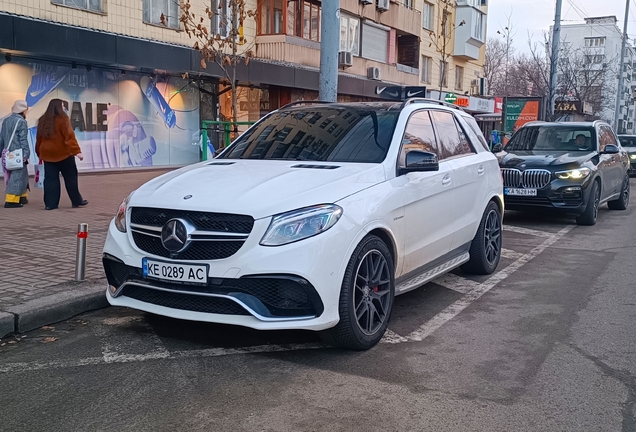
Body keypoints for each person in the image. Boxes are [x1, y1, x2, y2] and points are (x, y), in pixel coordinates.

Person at [35, 99, 87, 210]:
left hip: (48, 155)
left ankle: (50, 204)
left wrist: (39, 153)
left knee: (50, 180)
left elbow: (39, 139)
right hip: (64, 154)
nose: (64, 108)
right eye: (63, 106)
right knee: (71, 178)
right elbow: (69, 136)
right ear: (58, 107)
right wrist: (77, 151)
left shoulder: (42, 120)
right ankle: (76, 201)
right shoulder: (63, 119)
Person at [1, 100, 30, 208]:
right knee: (17, 176)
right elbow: (23, 140)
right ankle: (11, 200)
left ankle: (22, 196)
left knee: (21, 175)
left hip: (8, 152)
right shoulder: (21, 122)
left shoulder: (6, 121)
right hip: (18, 153)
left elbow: (2, 138)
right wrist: (26, 154)